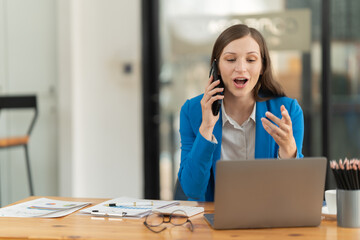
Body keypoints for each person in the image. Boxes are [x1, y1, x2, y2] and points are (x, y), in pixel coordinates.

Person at [178, 24, 304, 201]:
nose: (241, 68)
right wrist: (206, 128)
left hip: (269, 220)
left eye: (251, 60)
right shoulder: (192, 111)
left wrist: (289, 151)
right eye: (230, 60)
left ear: (262, 66)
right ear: (217, 67)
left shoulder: (287, 111)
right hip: (213, 221)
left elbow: (294, 192)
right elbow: (192, 189)